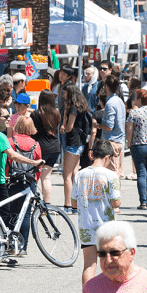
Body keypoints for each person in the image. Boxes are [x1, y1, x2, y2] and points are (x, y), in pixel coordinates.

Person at [0, 104, 44, 246]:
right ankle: (3, 251)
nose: (8, 119)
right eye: (5, 117)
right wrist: (34, 162)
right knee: (5, 219)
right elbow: (13, 155)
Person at [74, 140, 121, 285]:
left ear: (92, 154)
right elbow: (115, 203)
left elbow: (74, 203)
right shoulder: (111, 175)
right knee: (110, 264)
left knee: (89, 265)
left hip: (86, 225)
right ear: (107, 157)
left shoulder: (79, 174)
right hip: (105, 226)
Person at [83, 221, 147, 293]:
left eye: (115, 253)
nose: (108, 260)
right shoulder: (91, 288)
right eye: (102, 254)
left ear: (131, 253)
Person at [9, 115, 42, 257]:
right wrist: (35, 180)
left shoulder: (11, 141)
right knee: (26, 214)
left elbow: (6, 161)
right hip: (29, 180)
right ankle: (23, 247)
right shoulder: (35, 144)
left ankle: (11, 244)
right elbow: (38, 166)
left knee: (11, 213)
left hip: (13, 180)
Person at [61, 83, 91, 213]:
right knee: (74, 174)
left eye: (65, 92)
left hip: (73, 142)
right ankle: (76, 203)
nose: (63, 95)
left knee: (66, 175)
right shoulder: (80, 106)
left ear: (70, 93)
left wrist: (64, 125)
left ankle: (68, 204)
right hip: (80, 143)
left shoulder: (73, 108)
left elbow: (69, 127)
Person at [31, 89, 61, 204]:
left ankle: (32, 203)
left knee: (35, 177)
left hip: (40, 148)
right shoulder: (56, 114)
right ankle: (46, 204)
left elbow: (33, 132)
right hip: (54, 147)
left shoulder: (36, 114)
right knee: (46, 177)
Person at [97, 75, 126, 180]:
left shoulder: (110, 103)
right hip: (118, 140)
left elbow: (109, 126)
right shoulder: (119, 101)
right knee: (115, 172)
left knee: (112, 173)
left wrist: (98, 126)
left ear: (106, 86)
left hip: (111, 142)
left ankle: (114, 196)